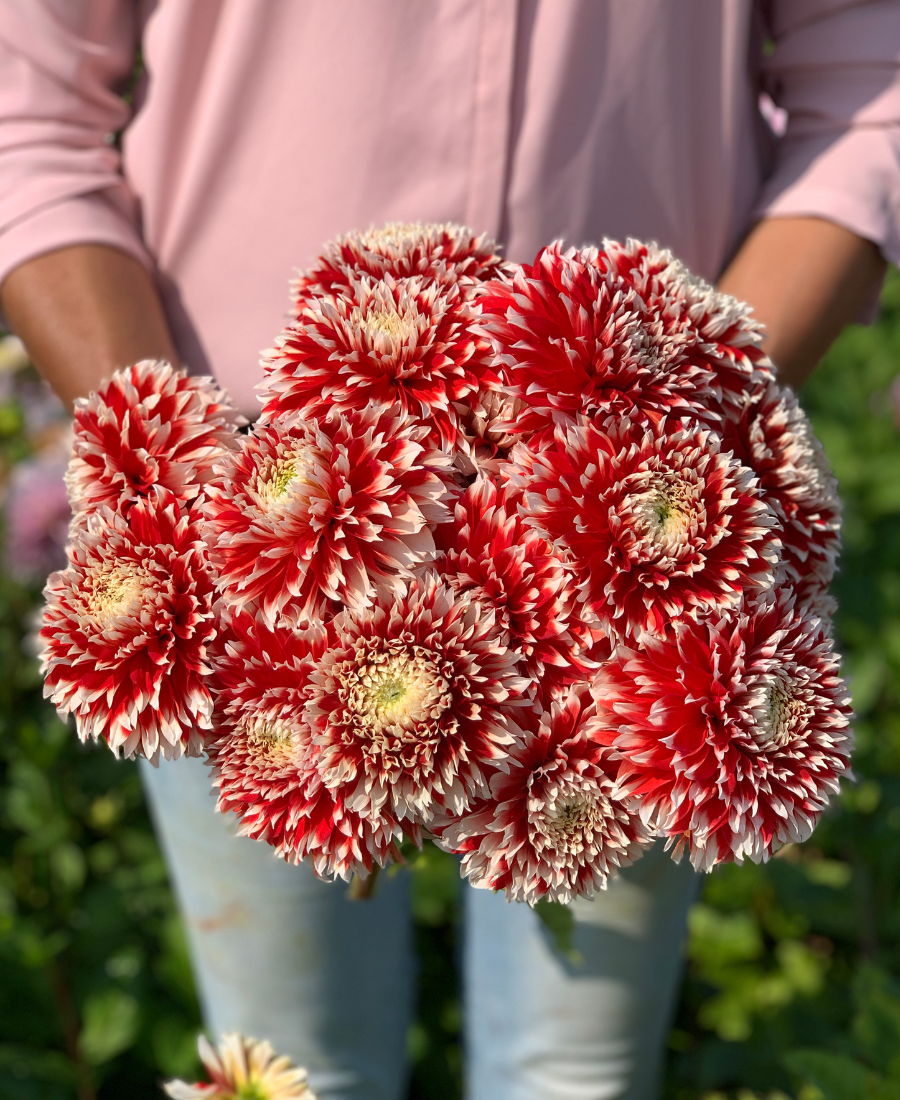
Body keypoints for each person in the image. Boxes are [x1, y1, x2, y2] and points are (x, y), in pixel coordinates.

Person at [1, 3, 897, 1098]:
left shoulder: (679, 556)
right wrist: (174, 478)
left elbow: (869, 93)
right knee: (292, 1068)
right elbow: (24, 104)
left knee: (575, 1075)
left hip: (654, 556)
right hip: (235, 541)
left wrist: (700, 406)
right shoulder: (215, 545)